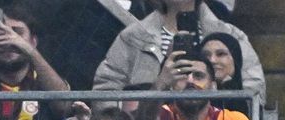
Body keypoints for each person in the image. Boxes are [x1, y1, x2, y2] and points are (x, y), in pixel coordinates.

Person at [94, 0, 264, 98]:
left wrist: (223, 87)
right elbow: (106, 93)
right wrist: (159, 84)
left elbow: (255, 92)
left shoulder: (231, 36)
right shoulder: (133, 37)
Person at [200, 32, 249, 114]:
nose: (212, 60)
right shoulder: (191, 99)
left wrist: (229, 87)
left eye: (220, 54)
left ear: (235, 60)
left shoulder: (252, 101)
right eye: (206, 55)